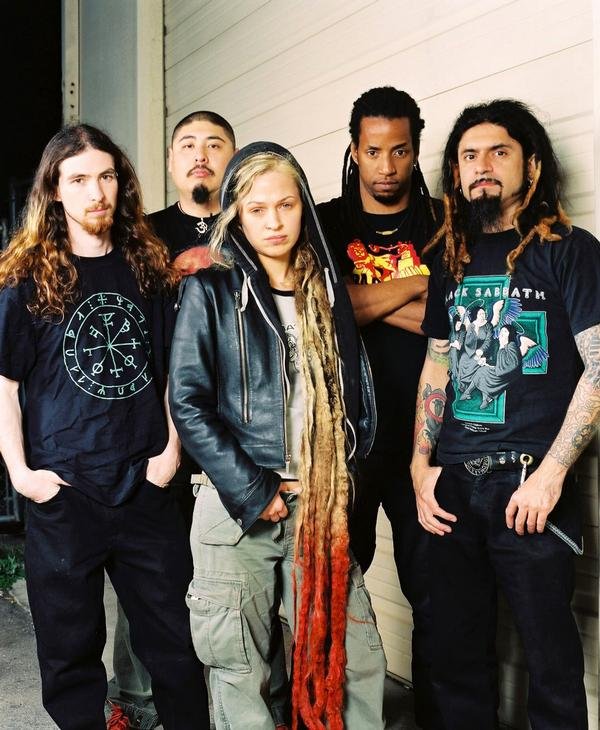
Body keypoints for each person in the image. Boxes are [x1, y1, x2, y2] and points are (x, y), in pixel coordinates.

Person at [169, 141, 387, 729]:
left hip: (319, 503)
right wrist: (253, 488)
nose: (273, 221)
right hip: (237, 509)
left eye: (286, 205)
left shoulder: (327, 290)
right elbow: (188, 402)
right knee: (242, 667)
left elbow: (354, 394)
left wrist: (346, 475)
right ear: (237, 215)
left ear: (303, 207)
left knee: (352, 658)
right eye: (257, 208)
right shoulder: (211, 290)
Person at [0, 124, 210, 730]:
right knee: (69, 656)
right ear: (54, 190)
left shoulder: (147, 267)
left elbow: (172, 370)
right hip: (64, 492)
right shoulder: (26, 278)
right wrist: (23, 476)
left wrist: (169, 453)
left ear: (122, 183)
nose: (96, 193)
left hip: (145, 484)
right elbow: (5, 385)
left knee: (175, 645)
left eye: (107, 177)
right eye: (79, 180)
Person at [412, 99, 595, 729]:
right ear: (455, 174)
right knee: (455, 660)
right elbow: (437, 364)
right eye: (469, 155)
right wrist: (420, 465)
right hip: (453, 486)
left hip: (529, 483)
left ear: (532, 166)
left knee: (551, 665)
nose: (482, 166)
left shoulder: (568, 249)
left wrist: (552, 474)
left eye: (499, 152)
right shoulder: (450, 258)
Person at [108, 112, 291, 729]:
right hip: (159, 425)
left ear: (234, 158)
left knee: (244, 582)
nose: (201, 155)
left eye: (215, 144)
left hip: (238, 434)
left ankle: (262, 700)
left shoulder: (257, 222)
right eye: (187, 144)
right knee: (150, 574)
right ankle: (136, 701)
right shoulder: (143, 233)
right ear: (170, 160)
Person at [317, 86, 442, 728]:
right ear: (353, 150)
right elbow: (326, 310)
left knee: (437, 594)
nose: (386, 166)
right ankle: (333, 714)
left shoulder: (443, 222)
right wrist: (419, 283)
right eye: (373, 151)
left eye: (399, 151)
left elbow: (454, 323)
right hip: (347, 440)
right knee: (336, 586)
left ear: (415, 151)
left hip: (428, 442)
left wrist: (364, 300)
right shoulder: (325, 223)